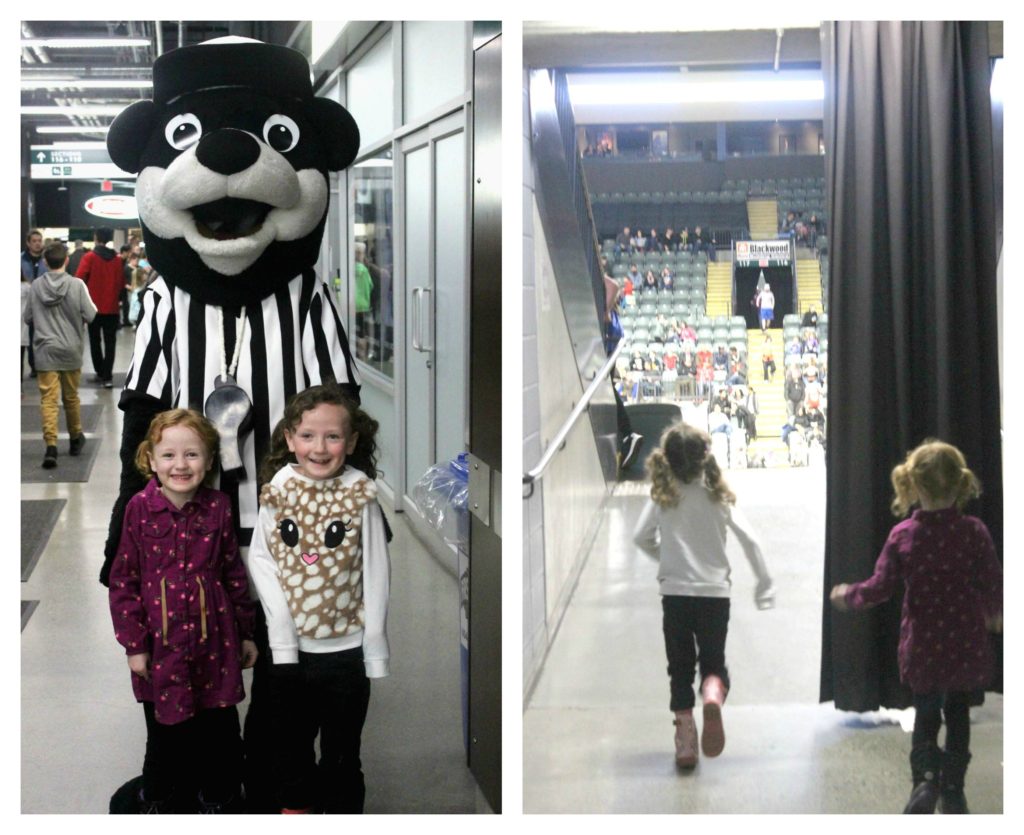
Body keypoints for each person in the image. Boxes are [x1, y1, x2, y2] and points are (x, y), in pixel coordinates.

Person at [830, 440, 1002, 814]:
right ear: (960, 485)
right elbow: (993, 581)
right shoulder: (974, 532)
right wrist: (995, 613)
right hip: (965, 644)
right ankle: (953, 789)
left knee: (926, 713)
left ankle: (925, 781)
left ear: (915, 487)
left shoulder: (903, 535)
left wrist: (849, 595)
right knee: (958, 714)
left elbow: (880, 588)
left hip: (924, 645)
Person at [247, 385, 390, 813]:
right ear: (290, 438)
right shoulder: (280, 487)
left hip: (346, 654)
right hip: (291, 658)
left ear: (350, 441)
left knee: (343, 756)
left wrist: (375, 645)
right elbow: (262, 558)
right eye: (307, 435)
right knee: (289, 752)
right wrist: (283, 635)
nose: (320, 448)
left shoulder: (360, 493)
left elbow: (377, 568)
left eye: (332, 437)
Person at [108, 409, 259, 813]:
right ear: (151, 461)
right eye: (169, 455)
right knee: (164, 732)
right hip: (162, 647)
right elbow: (124, 582)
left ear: (209, 460)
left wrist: (246, 631)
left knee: (221, 729)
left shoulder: (219, 507)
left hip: (216, 644)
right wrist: (134, 645)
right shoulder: (138, 510)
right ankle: (158, 798)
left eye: (192, 455)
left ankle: (221, 796)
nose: (180, 465)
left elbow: (232, 572)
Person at [633, 423, 774, 769]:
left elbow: (641, 537)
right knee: (713, 664)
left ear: (668, 460)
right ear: (703, 459)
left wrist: (666, 557)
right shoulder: (717, 495)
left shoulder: (663, 496)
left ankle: (685, 743)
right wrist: (764, 583)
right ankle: (712, 692)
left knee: (679, 669)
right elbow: (750, 540)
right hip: (715, 596)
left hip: (676, 595)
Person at [23, 242, 98, 468]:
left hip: (45, 350)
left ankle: (51, 447)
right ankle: (75, 438)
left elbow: (28, 317)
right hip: (71, 349)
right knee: (71, 396)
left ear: (45, 262)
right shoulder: (77, 285)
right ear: (66, 260)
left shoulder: (36, 286)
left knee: (48, 400)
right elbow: (92, 314)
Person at [76, 227, 123, 388]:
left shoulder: (89, 257)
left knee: (94, 340)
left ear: (96, 238)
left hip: (93, 308)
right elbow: (120, 283)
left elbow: (79, 280)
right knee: (111, 343)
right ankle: (108, 376)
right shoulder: (117, 259)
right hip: (112, 308)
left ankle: (100, 372)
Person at [22, 229, 46, 376]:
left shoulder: (46, 259)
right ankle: (31, 366)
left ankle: (38, 365)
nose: (37, 244)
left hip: (43, 304)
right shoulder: (20, 259)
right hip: (24, 305)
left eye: (39, 241)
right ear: (28, 243)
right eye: (34, 241)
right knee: (27, 337)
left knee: (41, 338)